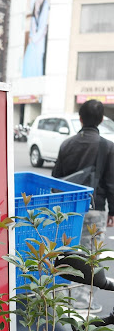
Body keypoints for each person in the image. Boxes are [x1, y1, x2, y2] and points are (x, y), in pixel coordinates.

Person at [52, 99, 114, 312]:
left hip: (67, 209)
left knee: (64, 250)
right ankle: (81, 301)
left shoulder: (67, 144)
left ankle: (60, 297)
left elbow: (56, 178)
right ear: (101, 120)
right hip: (94, 208)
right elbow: (110, 182)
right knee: (90, 255)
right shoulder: (107, 146)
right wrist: (112, 211)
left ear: (80, 118)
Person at [22, 0, 49, 78]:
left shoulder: (45, 6)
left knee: (36, 63)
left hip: (37, 42)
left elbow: (42, 29)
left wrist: (33, 38)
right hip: (33, 40)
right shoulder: (35, 0)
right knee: (28, 61)